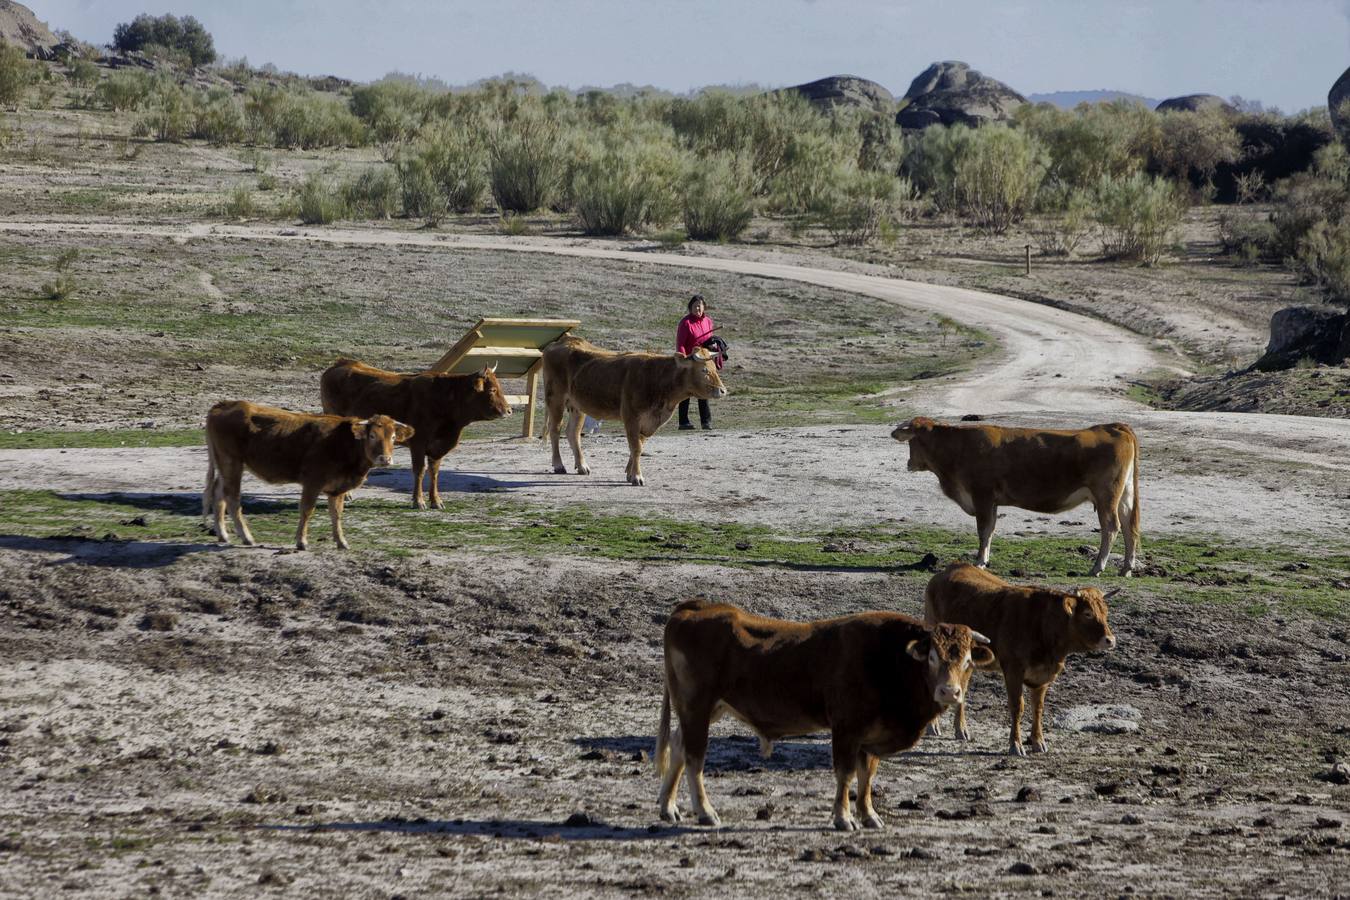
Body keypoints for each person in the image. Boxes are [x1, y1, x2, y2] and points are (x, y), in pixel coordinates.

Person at [676, 293, 722, 430]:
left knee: (704, 388)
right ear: (690, 308)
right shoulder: (685, 323)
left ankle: (706, 422)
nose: (698, 309)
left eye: (700, 307)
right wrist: (683, 358)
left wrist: (713, 346)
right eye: (695, 307)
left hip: (704, 360)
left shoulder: (708, 321)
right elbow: (681, 343)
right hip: (690, 360)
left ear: (704, 308)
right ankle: (683, 422)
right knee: (686, 391)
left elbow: (709, 338)